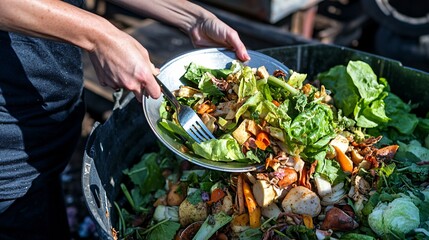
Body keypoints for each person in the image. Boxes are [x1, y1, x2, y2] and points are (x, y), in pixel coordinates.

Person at [0, 0, 250, 239]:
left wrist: (192, 17)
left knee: (44, 202)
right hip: (7, 141)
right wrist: (100, 37)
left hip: (44, 106)